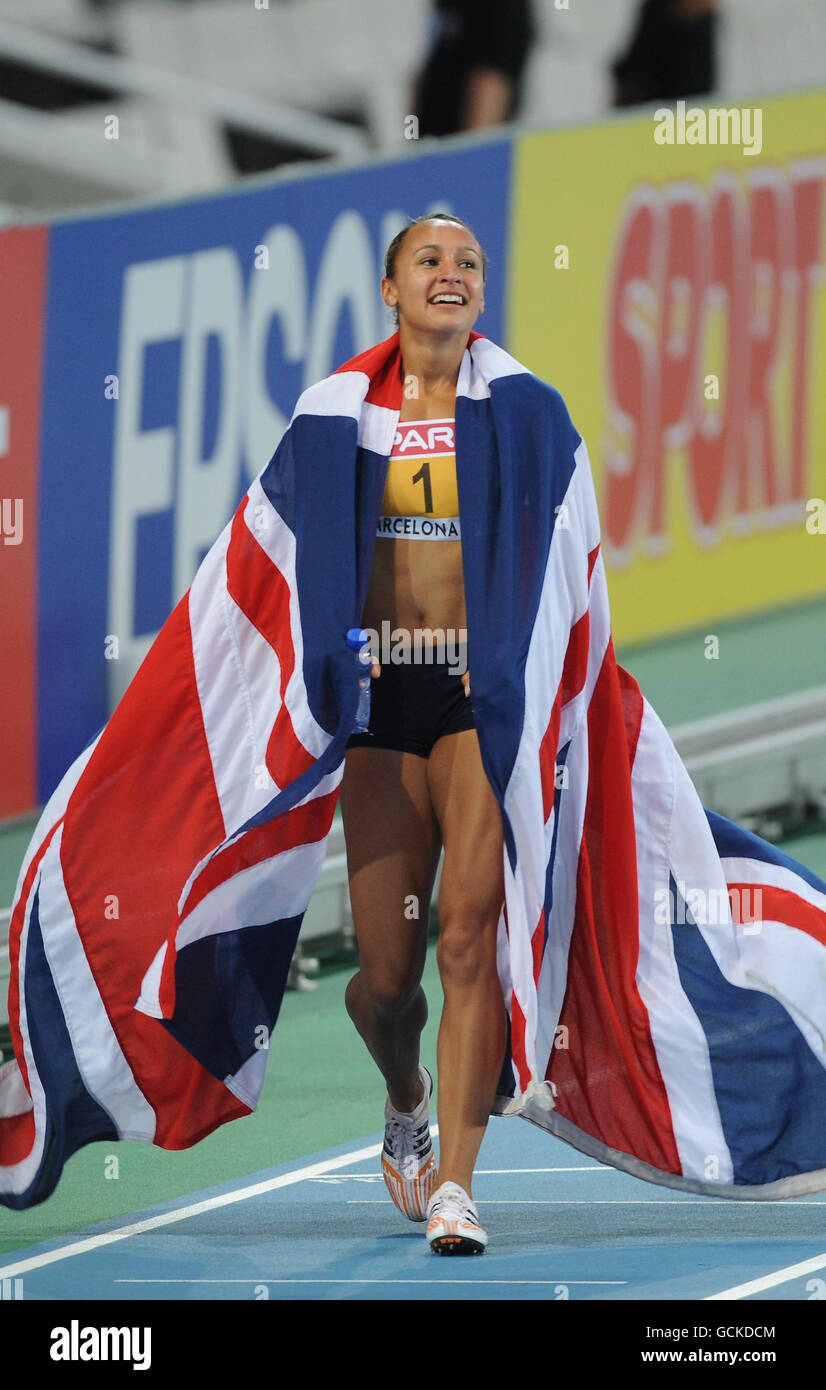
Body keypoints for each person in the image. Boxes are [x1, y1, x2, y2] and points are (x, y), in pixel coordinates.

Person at [339, 212, 506, 1255]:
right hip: (382, 703)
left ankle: (457, 1183)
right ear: (392, 291)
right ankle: (404, 1090)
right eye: (429, 262)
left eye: (469, 262)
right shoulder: (339, 415)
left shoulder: (518, 409)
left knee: (465, 937)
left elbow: (564, 549)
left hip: (473, 696)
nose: (451, 273)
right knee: (387, 983)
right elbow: (281, 555)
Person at [412, 0, 536, 137]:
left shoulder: (500, 9)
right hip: (428, 141)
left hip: (457, 145)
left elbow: (492, 79)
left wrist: (470, 154)